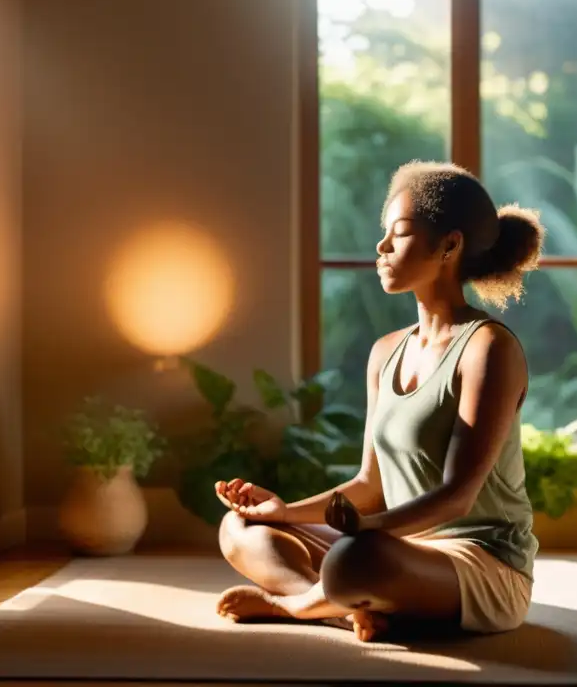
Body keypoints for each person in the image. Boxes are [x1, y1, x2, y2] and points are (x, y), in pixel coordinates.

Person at [213, 160, 545, 642]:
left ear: (449, 245)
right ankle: (341, 609)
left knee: (357, 557)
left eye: (400, 233)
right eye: (383, 232)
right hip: (396, 547)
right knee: (239, 529)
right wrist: (283, 512)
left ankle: (293, 606)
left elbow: (458, 498)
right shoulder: (386, 351)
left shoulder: (488, 348)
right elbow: (369, 483)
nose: (382, 246)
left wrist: (366, 529)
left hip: (479, 563)